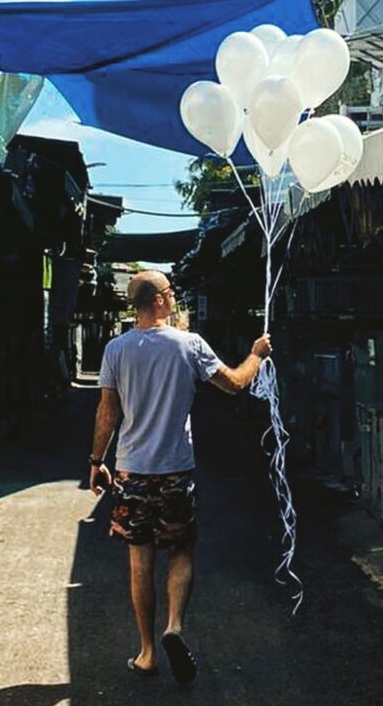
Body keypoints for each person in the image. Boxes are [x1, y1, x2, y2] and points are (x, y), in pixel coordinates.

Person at [89, 270, 272, 684]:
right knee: (182, 550)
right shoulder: (189, 345)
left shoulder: (116, 350)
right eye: (170, 293)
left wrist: (96, 459)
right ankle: (174, 626)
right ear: (157, 301)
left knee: (140, 558)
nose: (174, 298)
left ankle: (148, 653)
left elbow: (107, 411)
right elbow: (236, 384)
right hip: (175, 471)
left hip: (132, 470)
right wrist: (257, 353)